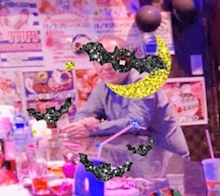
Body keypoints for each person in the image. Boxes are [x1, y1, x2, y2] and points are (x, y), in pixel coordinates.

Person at [62, 35, 189, 175]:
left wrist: (94, 129)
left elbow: (137, 123)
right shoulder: (103, 84)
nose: (107, 66)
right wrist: (83, 124)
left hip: (167, 161)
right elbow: (84, 113)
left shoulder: (142, 80)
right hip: (133, 159)